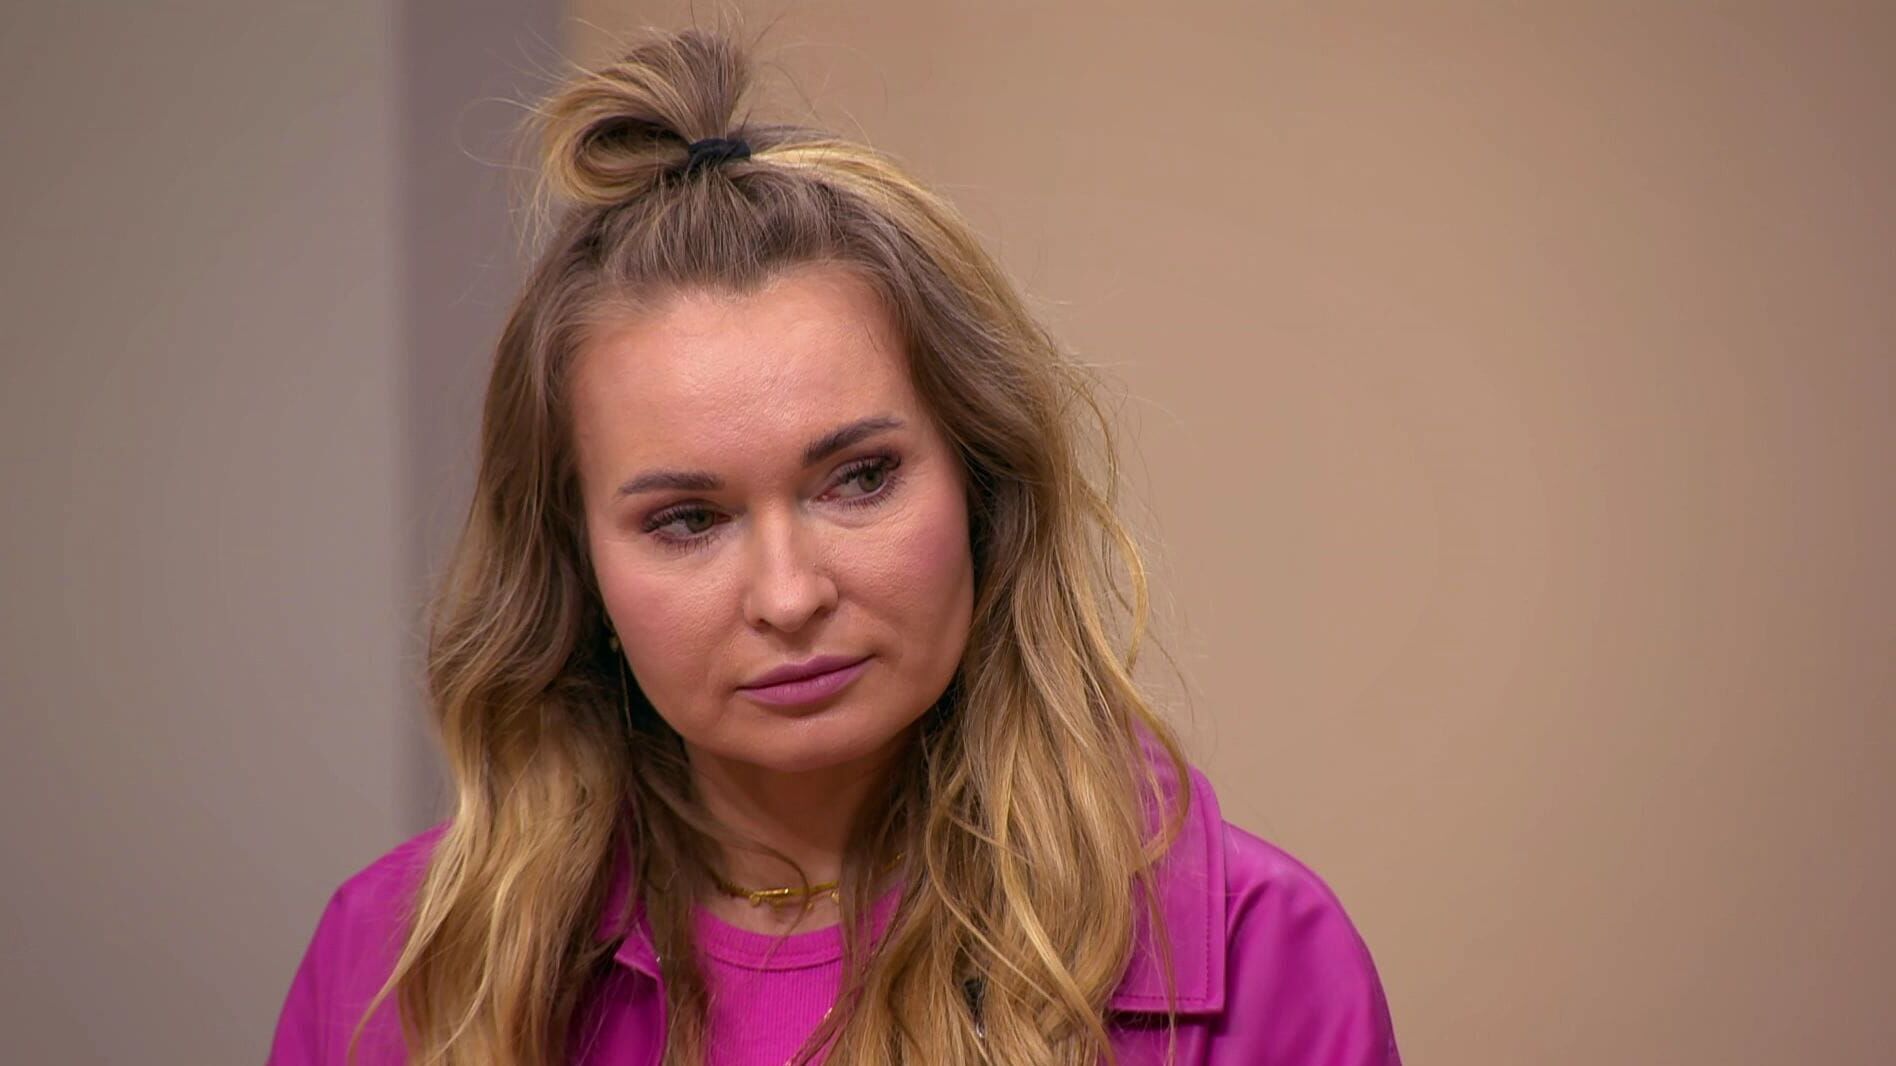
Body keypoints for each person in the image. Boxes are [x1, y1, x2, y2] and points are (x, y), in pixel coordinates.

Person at [268, 25, 1402, 1066]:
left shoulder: (1262, 954)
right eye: (687, 519)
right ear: (578, 568)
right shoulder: (397, 969)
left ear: (983, 485)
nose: (789, 593)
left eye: (859, 478)